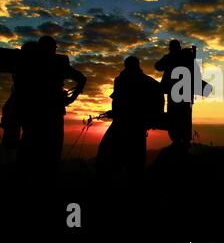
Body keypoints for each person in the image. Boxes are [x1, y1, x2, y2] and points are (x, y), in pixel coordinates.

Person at [13, 36, 86, 184]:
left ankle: (25, 178)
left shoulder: (27, 62)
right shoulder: (58, 63)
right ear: (52, 48)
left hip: (32, 113)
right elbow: (82, 78)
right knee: (52, 151)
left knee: (28, 148)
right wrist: (71, 99)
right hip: (53, 113)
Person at [96, 56, 163, 184]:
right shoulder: (147, 81)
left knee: (107, 156)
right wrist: (153, 117)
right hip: (137, 126)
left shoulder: (121, 80)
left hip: (123, 125)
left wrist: (116, 113)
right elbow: (159, 95)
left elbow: (118, 102)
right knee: (135, 161)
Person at [154, 39, 198, 149]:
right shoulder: (186, 56)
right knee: (185, 116)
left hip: (175, 91)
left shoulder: (172, 57)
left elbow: (158, 66)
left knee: (174, 115)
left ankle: (178, 139)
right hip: (185, 91)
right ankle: (184, 140)